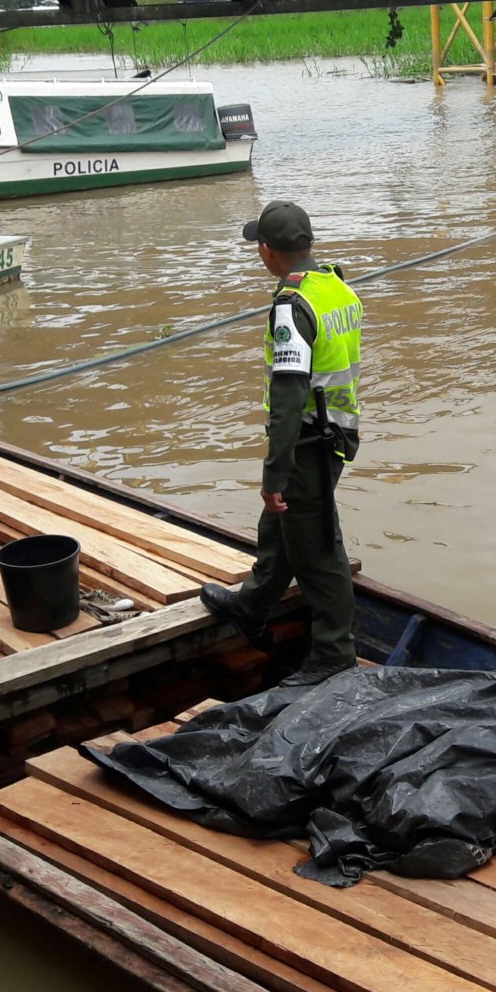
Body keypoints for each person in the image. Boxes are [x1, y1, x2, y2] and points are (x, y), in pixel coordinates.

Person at [199, 201, 363, 686]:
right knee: (282, 521)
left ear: (267, 250)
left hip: (309, 437)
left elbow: (289, 395)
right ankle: (253, 603)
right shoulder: (335, 286)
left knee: (318, 551)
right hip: (337, 428)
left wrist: (275, 470)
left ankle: (334, 653)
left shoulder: (293, 305)